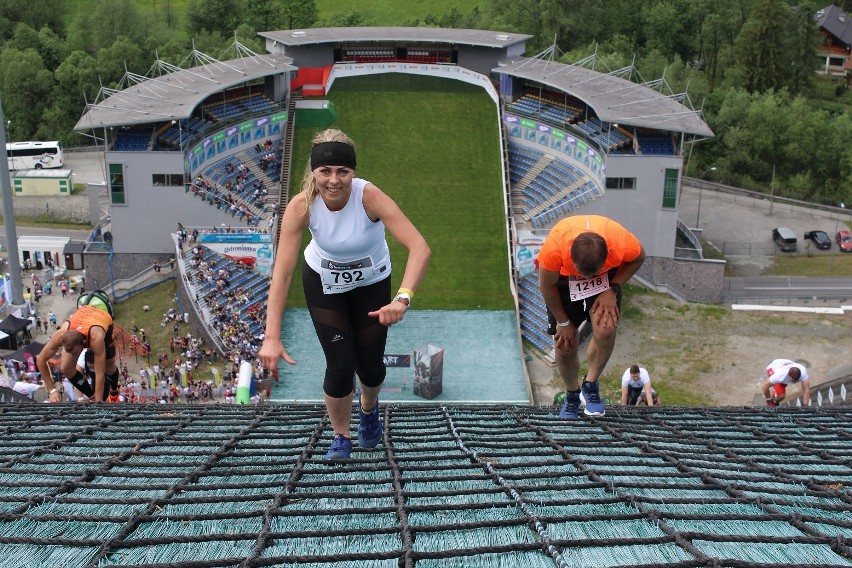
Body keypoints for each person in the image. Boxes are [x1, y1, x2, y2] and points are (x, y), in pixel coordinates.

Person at [259, 129, 431, 462]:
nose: (334, 180)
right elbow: (281, 273)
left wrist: (403, 299)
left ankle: (368, 409)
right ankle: (341, 435)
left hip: (371, 283)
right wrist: (271, 336)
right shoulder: (301, 206)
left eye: (343, 171)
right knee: (340, 364)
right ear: (313, 172)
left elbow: (419, 247)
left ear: (353, 172)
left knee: (370, 367)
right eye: (325, 171)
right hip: (325, 283)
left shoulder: (369, 197)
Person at [538, 215, 645, 418]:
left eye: (591, 274)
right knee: (565, 342)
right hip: (563, 280)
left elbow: (639, 258)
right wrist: (563, 322)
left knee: (606, 327)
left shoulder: (621, 242)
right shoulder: (554, 249)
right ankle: (572, 393)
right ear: (570, 257)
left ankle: (591, 386)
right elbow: (545, 286)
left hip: (606, 280)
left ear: (608, 256)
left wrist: (613, 288)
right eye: (583, 273)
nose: (587, 279)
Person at [35, 290, 120, 403]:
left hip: (101, 321)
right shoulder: (61, 334)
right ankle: (91, 396)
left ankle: (114, 390)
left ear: (83, 345)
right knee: (66, 368)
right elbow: (40, 359)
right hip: (82, 321)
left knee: (109, 366)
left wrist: (99, 405)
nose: (73, 355)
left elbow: (100, 373)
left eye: (75, 353)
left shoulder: (96, 338)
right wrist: (52, 390)